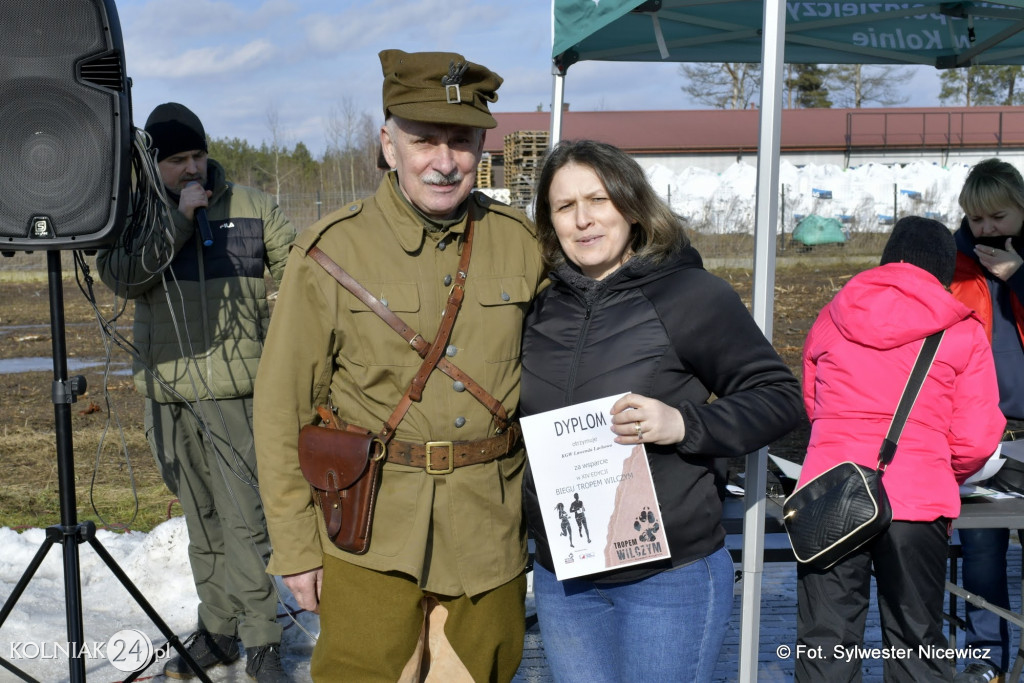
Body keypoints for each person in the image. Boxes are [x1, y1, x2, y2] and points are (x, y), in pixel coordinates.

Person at [252, 50, 544, 682]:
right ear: (387, 145)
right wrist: (297, 547)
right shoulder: (330, 250)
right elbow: (281, 409)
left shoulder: (522, 242)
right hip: (368, 531)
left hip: (487, 533)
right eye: (424, 141)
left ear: (480, 148)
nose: (444, 162)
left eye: (461, 141)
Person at [519, 139, 803, 682]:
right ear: (548, 221)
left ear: (630, 204)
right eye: (564, 206)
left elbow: (779, 397)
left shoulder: (690, 295)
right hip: (566, 577)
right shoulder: (540, 306)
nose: (583, 220)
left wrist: (683, 423)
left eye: (598, 200)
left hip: (666, 577)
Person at [97, 103, 296, 681]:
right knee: (201, 518)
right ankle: (219, 629)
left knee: (244, 521)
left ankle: (262, 636)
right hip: (166, 394)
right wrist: (180, 221)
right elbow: (123, 278)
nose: (192, 170)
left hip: (236, 392)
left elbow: (302, 275)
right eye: (178, 160)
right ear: (154, 164)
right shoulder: (137, 217)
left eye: (198, 156)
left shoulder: (251, 207)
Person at [794, 216, 1005, 682]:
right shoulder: (962, 330)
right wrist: (935, 470)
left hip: (831, 495)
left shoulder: (832, 315)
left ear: (887, 259)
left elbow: (812, 401)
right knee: (916, 642)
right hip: (917, 501)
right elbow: (974, 437)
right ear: (943, 270)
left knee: (826, 641)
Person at [950, 158, 1024, 683]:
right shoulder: (955, 264)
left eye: (998, 217)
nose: (986, 230)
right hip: (980, 433)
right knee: (979, 552)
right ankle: (985, 661)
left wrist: (1020, 278)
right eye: (976, 220)